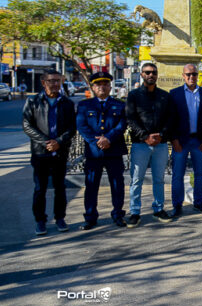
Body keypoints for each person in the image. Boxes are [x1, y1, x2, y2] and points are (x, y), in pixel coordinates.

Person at [22, 69, 76, 235]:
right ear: (43, 82)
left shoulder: (67, 103)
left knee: (60, 187)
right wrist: (46, 142)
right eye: (51, 81)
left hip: (60, 152)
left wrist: (59, 142)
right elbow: (27, 125)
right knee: (40, 188)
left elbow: (72, 127)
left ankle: (60, 218)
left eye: (58, 81)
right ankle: (40, 221)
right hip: (40, 153)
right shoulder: (33, 101)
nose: (55, 84)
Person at [75, 72, 128, 230]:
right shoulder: (85, 105)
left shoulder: (120, 105)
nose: (102, 87)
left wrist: (109, 138)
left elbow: (122, 125)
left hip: (114, 150)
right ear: (92, 87)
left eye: (105, 84)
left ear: (110, 87)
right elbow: (82, 126)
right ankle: (90, 217)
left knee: (117, 185)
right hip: (94, 152)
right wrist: (96, 142)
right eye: (98, 85)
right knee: (91, 185)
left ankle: (118, 214)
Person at [125, 63, 173, 227]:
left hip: (160, 144)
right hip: (141, 144)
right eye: (147, 72)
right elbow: (131, 119)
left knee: (159, 179)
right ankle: (135, 212)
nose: (151, 75)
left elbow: (170, 118)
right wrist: (145, 136)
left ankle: (158, 209)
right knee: (136, 179)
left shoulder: (164, 96)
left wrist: (161, 135)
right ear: (142, 74)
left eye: (153, 72)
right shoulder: (134, 95)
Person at [169, 64, 202, 218]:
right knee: (177, 175)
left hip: (198, 141)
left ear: (197, 75)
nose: (191, 77)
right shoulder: (175, 94)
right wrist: (174, 140)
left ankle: (199, 202)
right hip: (180, 142)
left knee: (200, 174)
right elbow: (170, 119)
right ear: (183, 76)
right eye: (188, 74)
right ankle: (177, 205)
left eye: (194, 74)